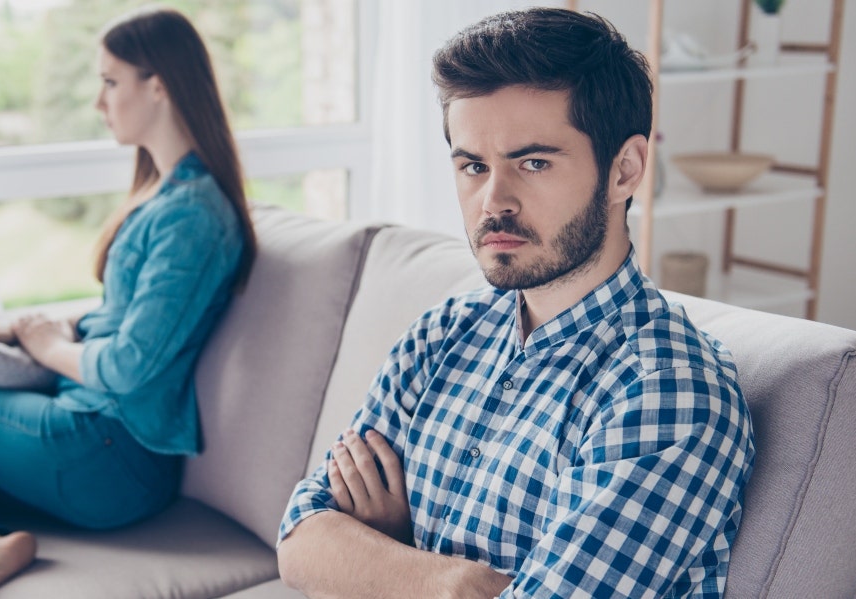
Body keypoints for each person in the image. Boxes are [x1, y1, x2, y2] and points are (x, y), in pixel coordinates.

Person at [277, 8, 754, 599]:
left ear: (624, 170)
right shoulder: (442, 332)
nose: (493, 201)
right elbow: (300, 541)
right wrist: (455, 582)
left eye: (533, 162)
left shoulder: (669, 390)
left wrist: (386, 554)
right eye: (473, 166)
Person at [0, 7, 257, 599]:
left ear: (158, 85)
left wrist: (48, 349)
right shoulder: (167, 195)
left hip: (111, 452)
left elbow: (127, 366)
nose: (99, 103)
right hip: (95, 439)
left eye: (109, 82)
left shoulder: (194, 216)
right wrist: (18, 332)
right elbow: (125, 322)